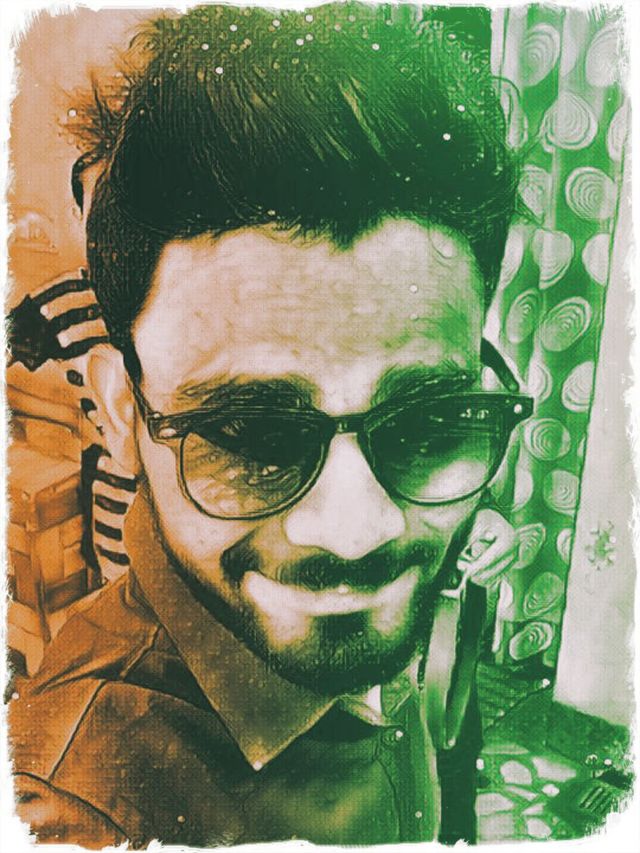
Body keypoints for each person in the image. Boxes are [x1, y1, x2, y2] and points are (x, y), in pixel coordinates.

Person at [9, 3, 529, 847]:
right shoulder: (77, 806)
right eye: (252, 436)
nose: (359, 533)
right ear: (119, 412)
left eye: (426, 421)